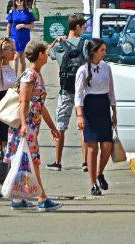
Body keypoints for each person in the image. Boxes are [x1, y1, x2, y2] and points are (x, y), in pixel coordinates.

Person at [5, 41, 60, 211]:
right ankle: (42, 198)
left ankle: (18, 198)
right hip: (26, 126)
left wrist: (52, 126)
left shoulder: (36, 74)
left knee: (25, 160)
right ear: (40, 55)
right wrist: (23, 125)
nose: (47, 55)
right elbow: (23, 101)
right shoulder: (30, 75)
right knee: (32, 160)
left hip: (31, 126)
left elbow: (40, 105)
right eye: (45, 52)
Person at [76, 38, 119, 196]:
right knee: (92, 148)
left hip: (103, 105)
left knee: (107, 146)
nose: (104, 53)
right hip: (89, 106)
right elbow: (79, 95)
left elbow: (111, 91)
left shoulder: (106, 67)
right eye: (102, 50)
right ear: (94, 52)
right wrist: (80, 115)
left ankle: (100, 173)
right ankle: (93, 183)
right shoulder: (83, 70)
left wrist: (114, 111)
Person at [49, 14, 88, 172]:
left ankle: (57, 162)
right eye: (83, 26)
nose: (84, 29)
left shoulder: (59, 46)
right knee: (84, 127)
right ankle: (86, 162)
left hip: (65, 90)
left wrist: (55, 41)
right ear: (77, 27)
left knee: (61, 126)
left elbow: (46, 53)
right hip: (82, 91)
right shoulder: (85, 44)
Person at [6, 0, 36, 72]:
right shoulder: (12, 11)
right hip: (14, 38)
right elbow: (9, 26)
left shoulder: (28, 11)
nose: (19, 1)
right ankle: (14, 79)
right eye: (17, 0)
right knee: (16, 57)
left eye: (21, 0)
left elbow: (32, 25)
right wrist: (7, 37)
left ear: (23, 1)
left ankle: (20, 78)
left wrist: (23, 25)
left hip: (25, 38)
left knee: (22, 60)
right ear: (15, 1)